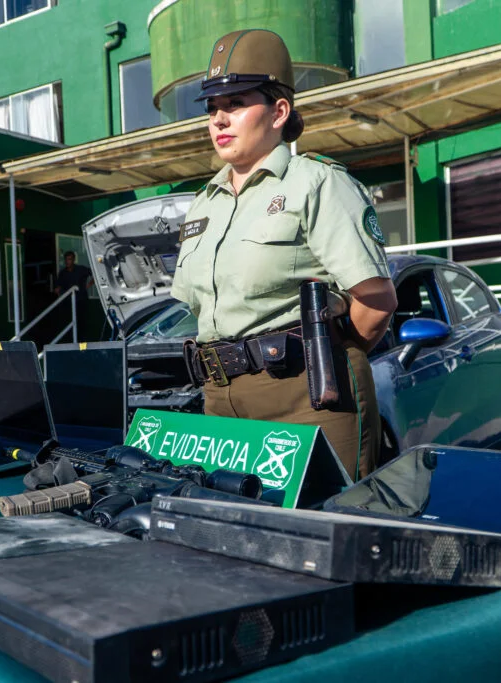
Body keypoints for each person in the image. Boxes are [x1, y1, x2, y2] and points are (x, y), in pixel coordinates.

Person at [170, 29, 397, 482]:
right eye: (213, 107)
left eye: (235, 103)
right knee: (223, 535)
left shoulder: (316, 183)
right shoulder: (203, 202)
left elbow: (374, 301)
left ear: (279, 111)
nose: (219, 119)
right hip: (218, 398)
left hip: (306, 396)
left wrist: (318, 356)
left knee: (322, 529)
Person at [54, 251, 93, 331]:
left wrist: (89, 284)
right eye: (66, 259)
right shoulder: (62, 273)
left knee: (81, 324)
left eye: (69, 259)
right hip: (68, 303)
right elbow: (59, 286)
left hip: (81, 301)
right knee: (68, 324)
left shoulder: (81, 269)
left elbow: (95, 273)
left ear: (73, 260)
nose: (67, 261)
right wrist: (58, 290)